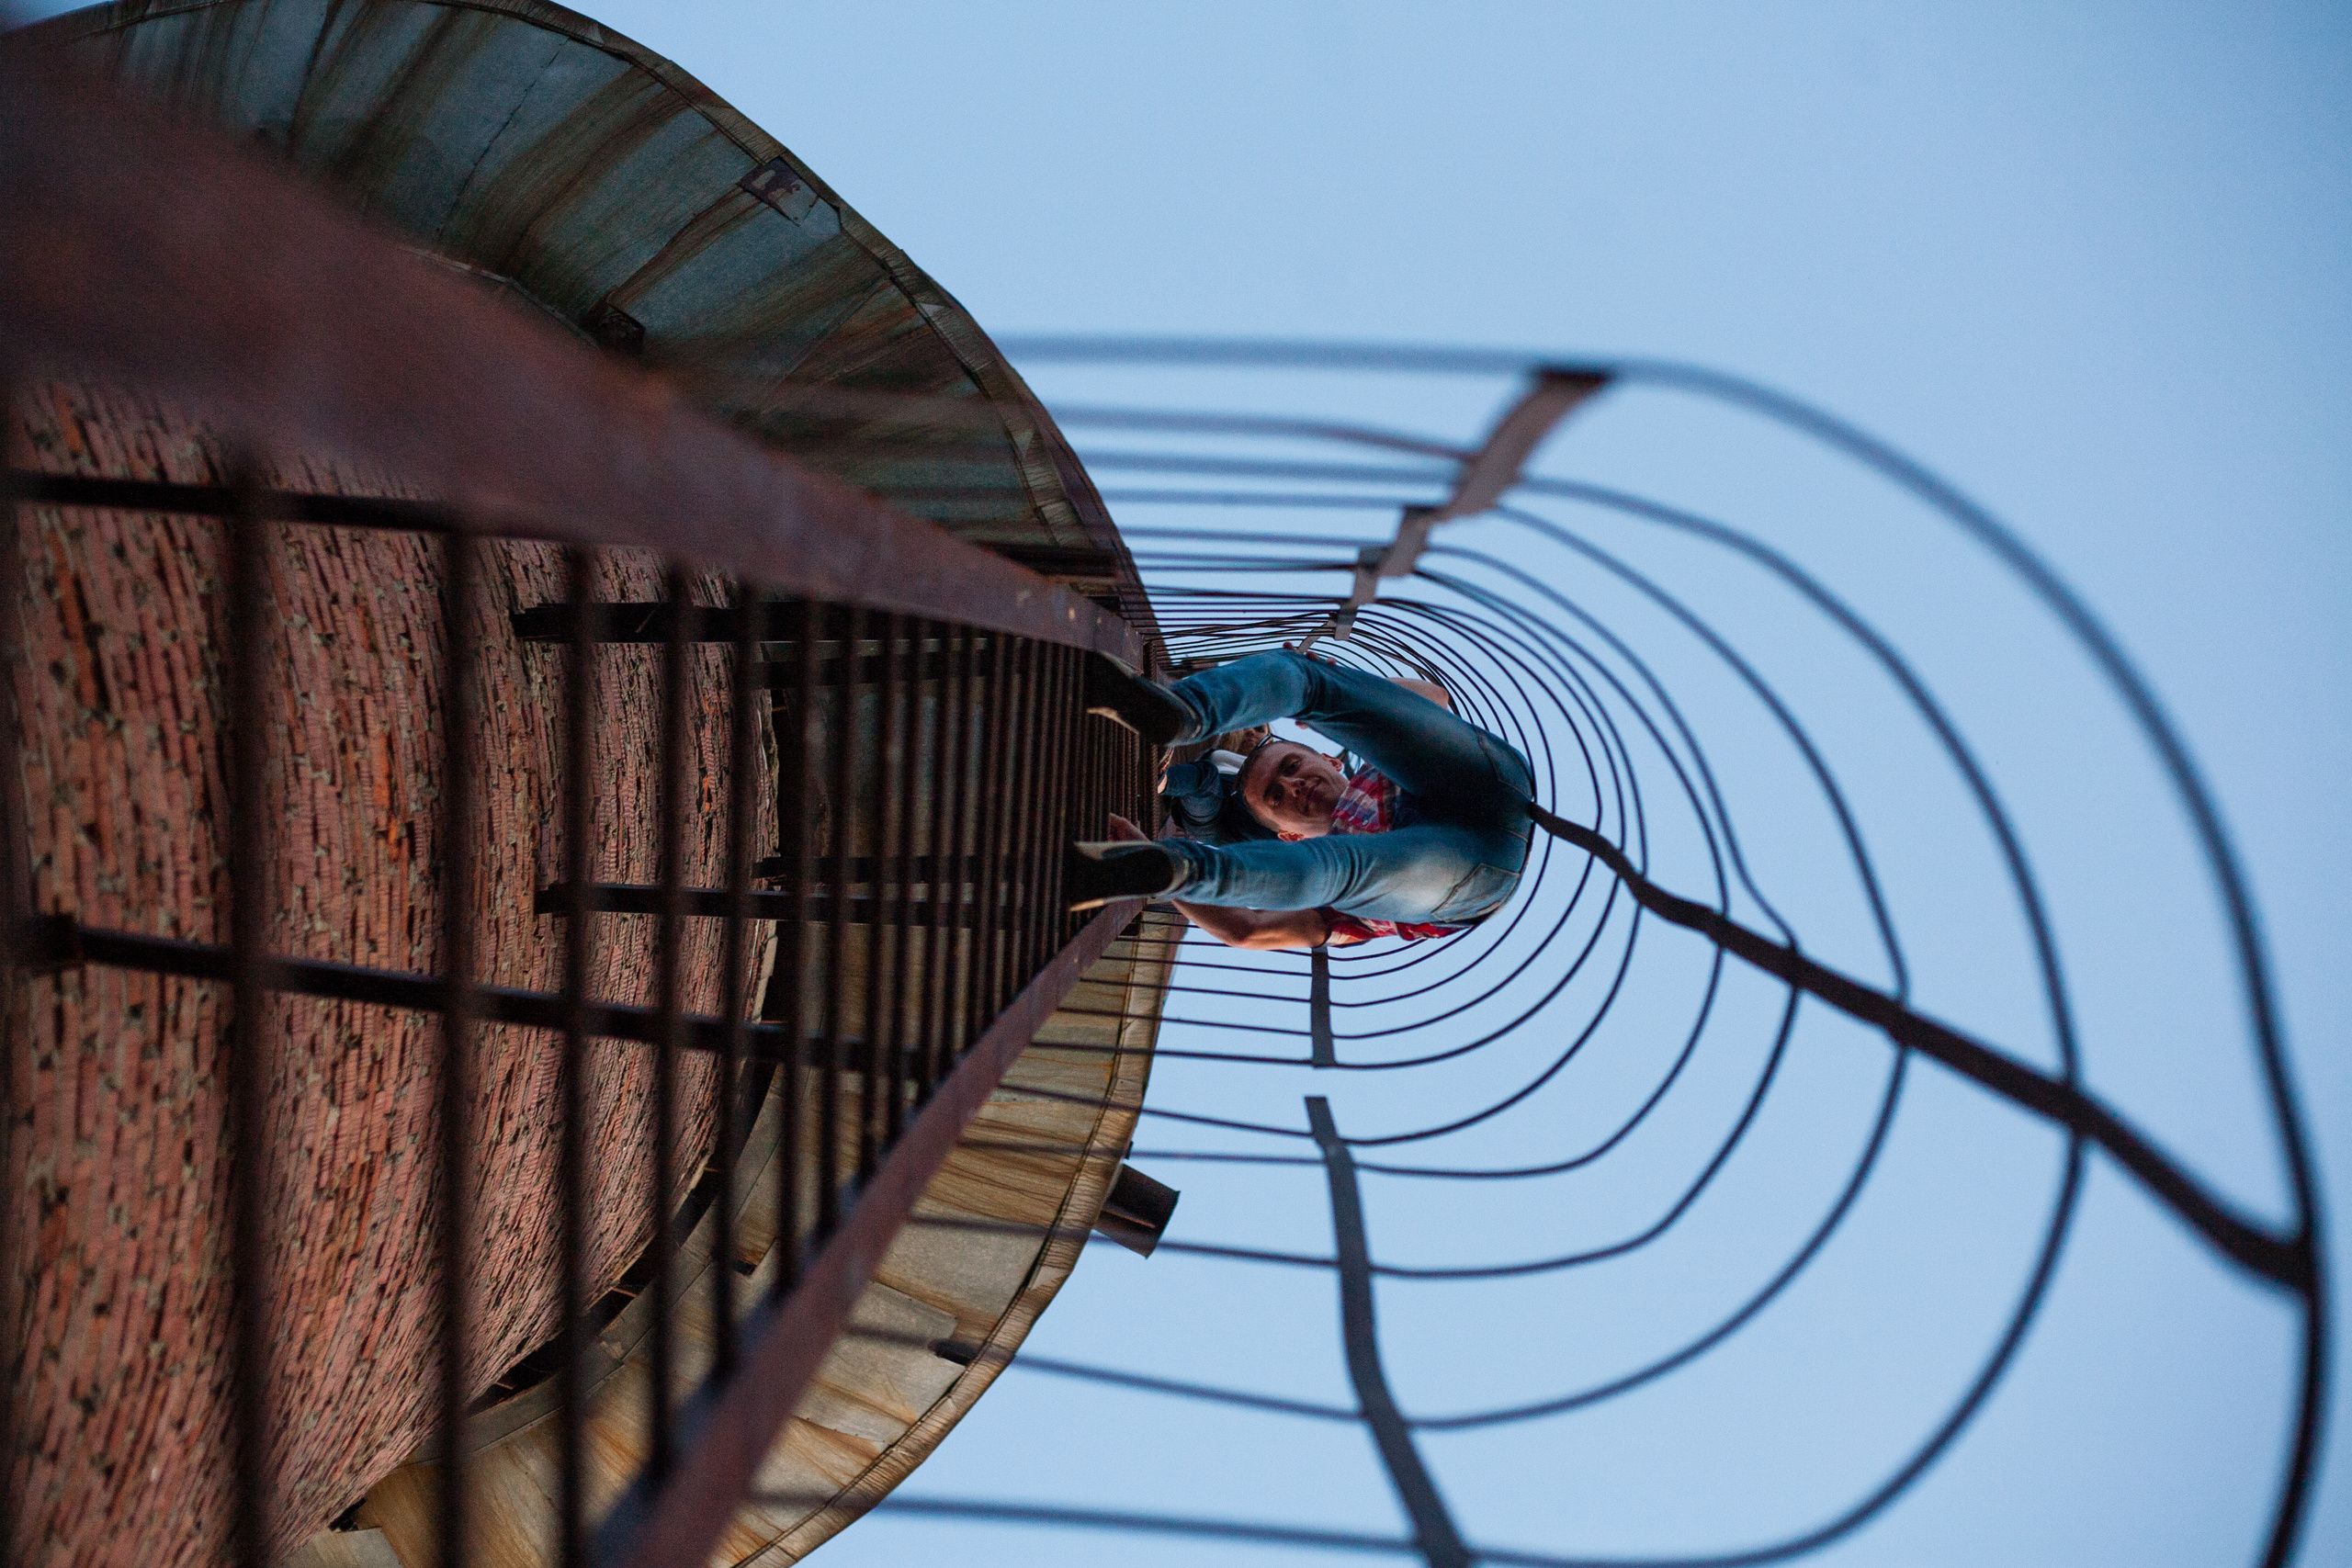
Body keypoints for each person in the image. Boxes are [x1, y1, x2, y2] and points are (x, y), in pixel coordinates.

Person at [1068, 648, 1534, 951]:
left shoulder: (1375, 767)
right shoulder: (1338, 907)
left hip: (1486, 784)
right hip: (1467, 874)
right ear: (1287, 834)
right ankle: (1175, 868)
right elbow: (1247, 929)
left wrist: (1337, 700)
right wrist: (1164, 868)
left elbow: (1433, 698)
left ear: (1331, 760)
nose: (1293, 786)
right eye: (1275, 796)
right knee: (1336, 869)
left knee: (1309, 680)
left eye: (1292, 766)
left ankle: (1182, 712)